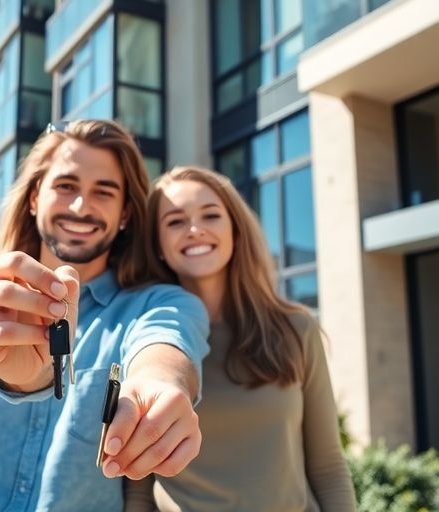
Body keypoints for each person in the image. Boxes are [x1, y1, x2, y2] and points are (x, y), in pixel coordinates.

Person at [0, 121, 211, 512]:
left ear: (125, 213)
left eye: (104, 192)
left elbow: (165, 344)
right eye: (66, 186)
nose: (81, 207)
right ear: (34, 198)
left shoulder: (158, 304)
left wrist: (159, 382)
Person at [125, 166, 355, 511]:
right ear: (157, 245)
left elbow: (328, 466)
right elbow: (138, 484)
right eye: (175, 221)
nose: (195, 229)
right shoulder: (145, 340)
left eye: (210, 215)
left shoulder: (296, 328)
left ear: (235, 229)